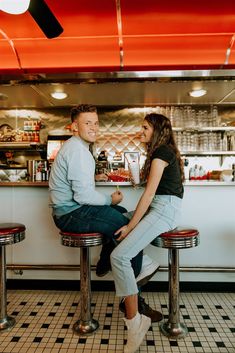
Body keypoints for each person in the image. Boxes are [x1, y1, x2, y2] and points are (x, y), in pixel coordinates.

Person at [48, 104, 160, 321]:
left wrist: (94, 181)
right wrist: (110, 199)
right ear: (74, 127)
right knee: (129, 230)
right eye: (87, 123)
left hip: (70, 210)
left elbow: (76, 184)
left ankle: (105, 260)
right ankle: (134, 297)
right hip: (71, 214)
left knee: (120, 213)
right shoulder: (78, 151)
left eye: (96, 123)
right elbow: (83, 197)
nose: (93, 127)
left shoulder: (76, 147)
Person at [110, 113, 184, 353]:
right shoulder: (162, 152)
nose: (140, 131)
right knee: (115, 219)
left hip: (163, 210)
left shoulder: (162, 153)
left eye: (145, 128)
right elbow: (152, 188)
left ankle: (135, 323)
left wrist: (132, 226)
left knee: (118, 256)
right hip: (160, 206)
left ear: (157, 131)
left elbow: (150, 195)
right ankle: (147, 264)